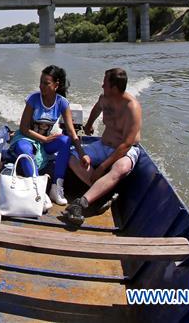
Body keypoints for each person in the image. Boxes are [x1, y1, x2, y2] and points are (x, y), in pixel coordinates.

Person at [60, 67, 142, 227]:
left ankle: (81, 202)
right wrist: (89, 124)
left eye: (105, 83)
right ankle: (104, 194)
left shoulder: (132, 108)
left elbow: (126, 144)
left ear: (114, 87)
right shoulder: (105, 98)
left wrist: (102, 167)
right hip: (103, 145)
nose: (102, 86)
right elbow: (97, 109)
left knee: (121, 167)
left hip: (125, 149)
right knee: (71, 156)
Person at [8, 65, 85, 205]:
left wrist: (82, 153)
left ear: (56, 85)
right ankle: (38, 191)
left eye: (46, 83)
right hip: (28, 137)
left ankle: (56, 188)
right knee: (23, 148)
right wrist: (44, 138)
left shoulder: (62, 103)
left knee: (65, 141)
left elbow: (72, 131)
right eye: (41, 82)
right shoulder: (33, 99)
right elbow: (24, 128)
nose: (41, 86)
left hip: (45, 142)